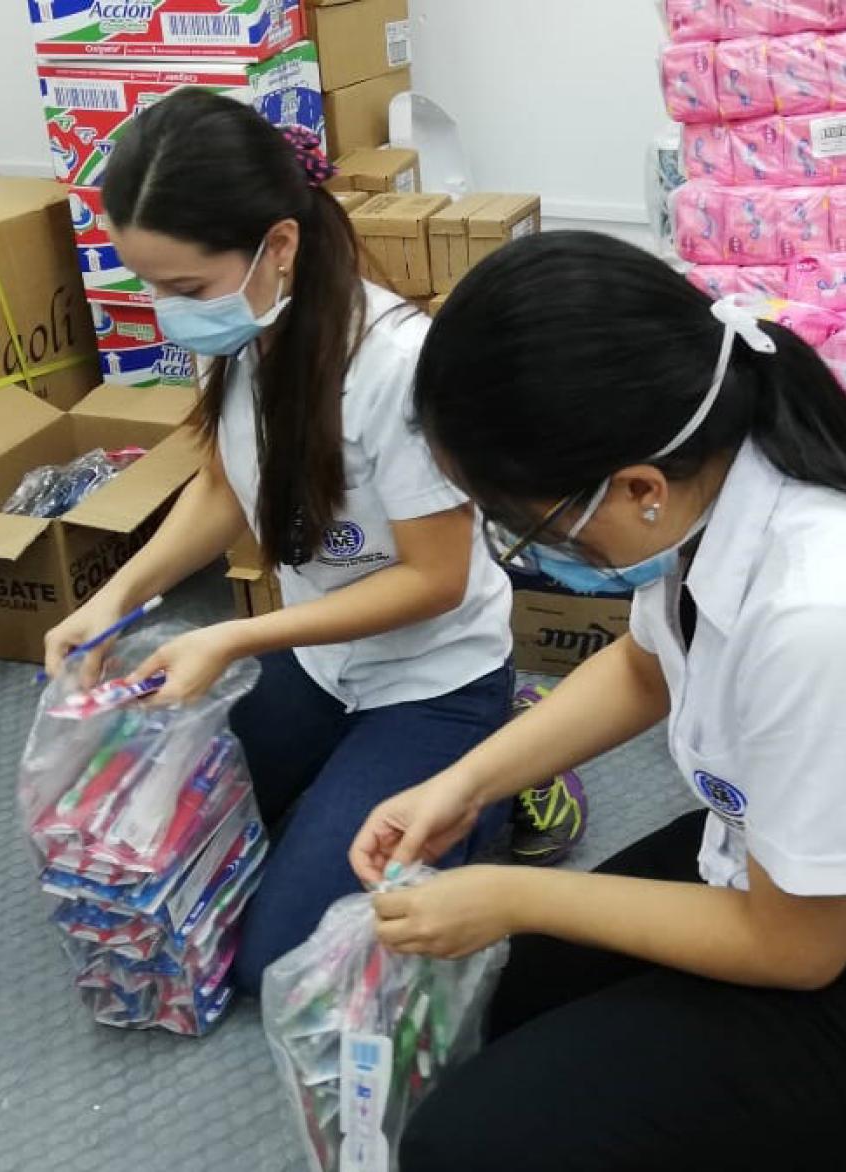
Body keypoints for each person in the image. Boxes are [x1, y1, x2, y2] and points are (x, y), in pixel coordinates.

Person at [348, 232, 846, 1172]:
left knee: (466, 1150)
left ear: (637, 488)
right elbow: (645, 669)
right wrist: (467, 784)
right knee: (513, 1002)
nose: (522, 544)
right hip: (778, 870)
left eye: (523, 522)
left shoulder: (829, 617)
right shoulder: (713, 481)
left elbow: (796, 948)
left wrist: (515, 894)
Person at [40, 90, 586, 994]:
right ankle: (357, 773)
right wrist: (113, 599)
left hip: (432, 680)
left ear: (279, 245)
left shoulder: (397, 365)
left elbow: (437, 581)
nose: (167, 310)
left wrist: (231, 636)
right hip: (320, 662)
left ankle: (503, 768)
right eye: (150, 285)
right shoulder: (241, 326)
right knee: (141, 843)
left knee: (284, 962)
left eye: (184, 289)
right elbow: (225, 485)